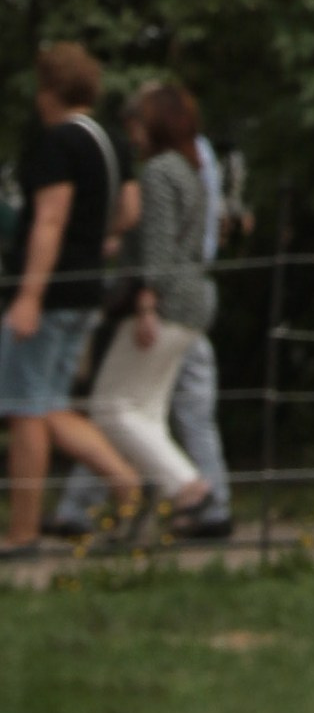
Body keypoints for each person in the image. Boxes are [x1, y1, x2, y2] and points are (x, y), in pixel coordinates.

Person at [3, 45, 142, 556]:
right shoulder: (111, 141)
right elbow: (129, 211)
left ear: (50, 91)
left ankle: (22, 533)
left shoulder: (59, 142)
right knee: (52, 405)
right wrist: (95, 239)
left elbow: (50, 219)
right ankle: (127, 484)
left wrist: (28, 296)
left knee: (23, 409)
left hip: (51, 291)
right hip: (88, 288)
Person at [81, 86, 221, 527]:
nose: (133, 134)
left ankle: (187, 487)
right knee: (146, 413)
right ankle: (151, 514)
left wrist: (145, 305)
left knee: (109, 407)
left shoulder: (158, 172)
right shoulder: (190, 169)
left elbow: (158, 252)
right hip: (192, 303)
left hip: (163, 303)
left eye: (139, 123)